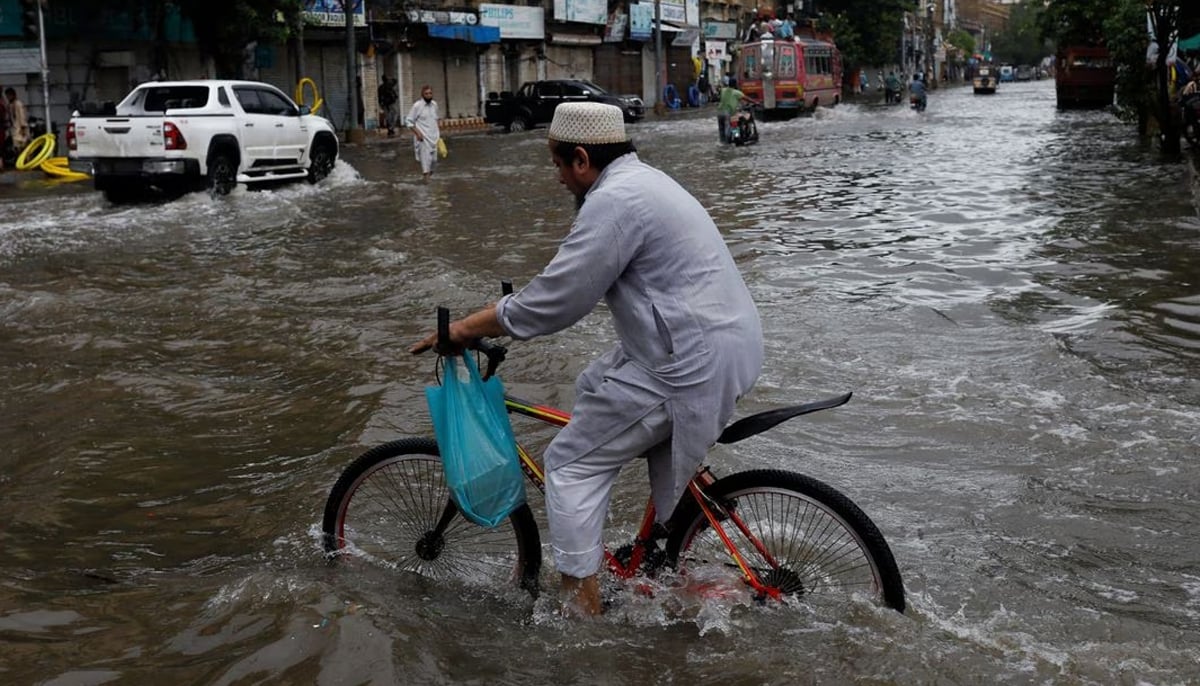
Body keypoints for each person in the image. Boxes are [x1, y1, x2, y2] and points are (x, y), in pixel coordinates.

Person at [409, 102, 763, 616]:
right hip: (714, 342)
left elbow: (557, 300)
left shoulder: (615, 201)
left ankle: (581, 610)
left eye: (557, 165)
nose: (558, 179)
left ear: (580, 158)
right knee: (593, 383)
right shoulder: (644, 182)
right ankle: (658, 547)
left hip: (687, 361)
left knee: (569, 464)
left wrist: (464, 328)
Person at [405, 85, 440, 180]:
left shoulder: (434, 105)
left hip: (434, 138)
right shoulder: (417, 106)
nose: (429, 95)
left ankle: (428, 182)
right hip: (423, 139)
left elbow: (436, 120)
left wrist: (439, 136)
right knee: (426, 166)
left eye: (430, 93)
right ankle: (427, 188)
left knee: (434, 162)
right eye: (426, 94)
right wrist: (418, 133)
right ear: (422, 95)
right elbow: (408, 121)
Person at [6, 88, 29, 154]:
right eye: (7, 96)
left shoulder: (18, 104)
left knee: (23, 147)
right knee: (17, 147)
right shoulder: (10, 105)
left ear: (14, 95)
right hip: (15, 128)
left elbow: (22, 116)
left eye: (9, 95)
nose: (8, 97)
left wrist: (23, 128)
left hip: (20, 129)